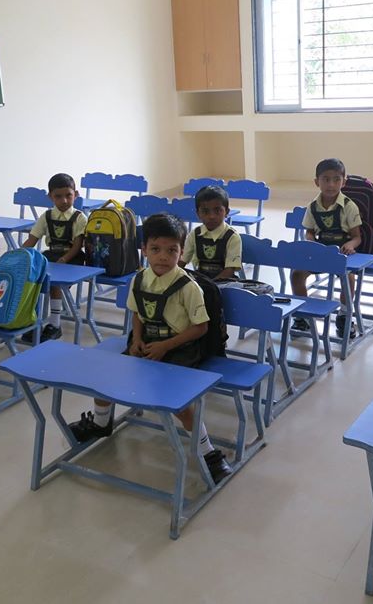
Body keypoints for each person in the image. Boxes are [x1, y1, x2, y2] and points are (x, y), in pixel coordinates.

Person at [66, 213, 233, 483]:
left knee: (179, 403)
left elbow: (200, 328)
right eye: (155, 249)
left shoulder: (189, 287)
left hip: (180, 347)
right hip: (147, 343)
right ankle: (101, 422)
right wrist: (136, 341)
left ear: (181, 252)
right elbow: (137, 314)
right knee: (106, 381)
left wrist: (165, 346)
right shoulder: (139, 279)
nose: (163, 257)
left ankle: (208, 453)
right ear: (144, 250)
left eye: (171, 250)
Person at [291, 158, 362, 338]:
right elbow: (309, 232)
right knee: (296, 274)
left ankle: (344, 315)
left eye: (336, 179)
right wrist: (311, 242)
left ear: (344, 182)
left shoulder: (349, 206)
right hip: (320, 251)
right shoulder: (312, 207)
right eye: (326, 179)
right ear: (317, 182)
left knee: (348, 278)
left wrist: (350, 244)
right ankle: (303, 315)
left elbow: (357, 237)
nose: (331, 184)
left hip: (342, 253)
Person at [22, 173, 87, 342]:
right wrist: (16, 256)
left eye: (68, 195)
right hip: (51, 254)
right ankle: (31, 322)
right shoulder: (46, 216)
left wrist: (64, 259)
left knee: (54, 281)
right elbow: (32, 240)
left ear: (76, 194)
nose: (64, 200)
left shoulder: (80, 218)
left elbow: (77, 245)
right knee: (31, 278)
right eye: (58, 196)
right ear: (50, 196)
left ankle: (55, 324)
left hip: (72, 258)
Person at [179, 185, 241, 279]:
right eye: (205, 211)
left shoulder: (232, 237)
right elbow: (182, 262)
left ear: (227, 212)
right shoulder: (194, 234)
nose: (211, 216)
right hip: (201, 280)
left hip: (225, 282)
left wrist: (210, 285)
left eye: (217, 210)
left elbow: (229, 270)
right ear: (198, 214)